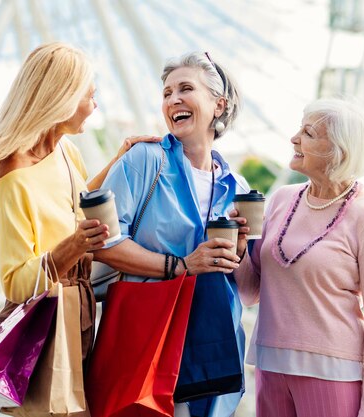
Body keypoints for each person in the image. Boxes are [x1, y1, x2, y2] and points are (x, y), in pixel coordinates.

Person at [0, 42, 159, 369]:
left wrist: (119, 159)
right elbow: (16, 283)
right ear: (62, 98)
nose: (95, 105)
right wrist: (76, 243)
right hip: (44, 327)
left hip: (78, 311)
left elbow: (69, 207)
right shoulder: (13, 178)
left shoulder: (66, 152)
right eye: (89, 96)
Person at [95, 51, 250, 417]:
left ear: (218, 105)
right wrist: (181, 265)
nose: (173, 100)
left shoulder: (238, 185)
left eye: (185, 88)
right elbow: (104, 243)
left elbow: (242, 278)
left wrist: (239, 250)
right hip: (149, 333)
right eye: (167, 93)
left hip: (213, 340)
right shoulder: (143, 160)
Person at [232, 98, 364, 417]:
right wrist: (239, 249)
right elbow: (252, 293)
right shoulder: (280, 199)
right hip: (269, 367)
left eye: (308, 132)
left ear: (339, 150)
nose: (294, 138)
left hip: (333, 376)